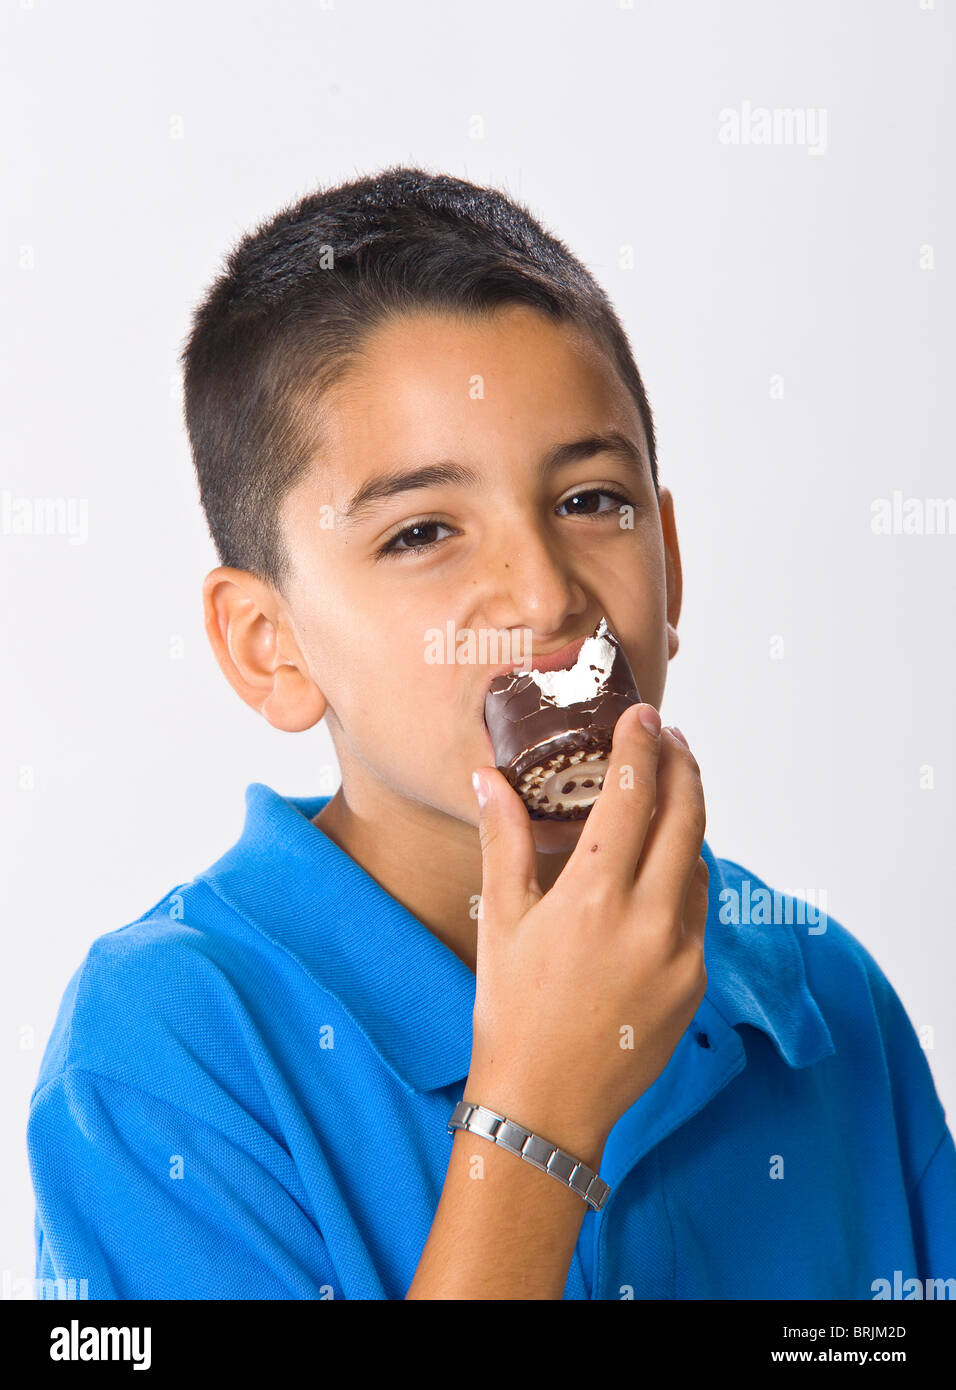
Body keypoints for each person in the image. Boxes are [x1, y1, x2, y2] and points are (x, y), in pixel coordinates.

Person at [27, 167, 956, 1299]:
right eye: (423, 530)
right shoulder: (158, 1054)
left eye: (589, 501)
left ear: (670, 564)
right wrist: (535, 1113)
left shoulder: (818, 998)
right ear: (269, 644)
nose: (542, 593)